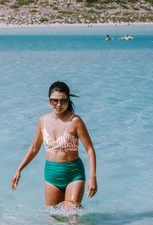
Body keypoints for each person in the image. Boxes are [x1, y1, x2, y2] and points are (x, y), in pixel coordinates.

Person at [11, 81, 97, 210]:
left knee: (72, 214)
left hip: (73, 173)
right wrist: (19, 169)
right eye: (54, 101)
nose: (58, 104)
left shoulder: (75, 121)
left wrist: (93, 176)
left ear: (68, 100)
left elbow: (89, 149)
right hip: (51, 175)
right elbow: (34, 148)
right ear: (49, 101)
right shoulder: (42, 121)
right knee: (53, 218)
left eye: (63, 101)